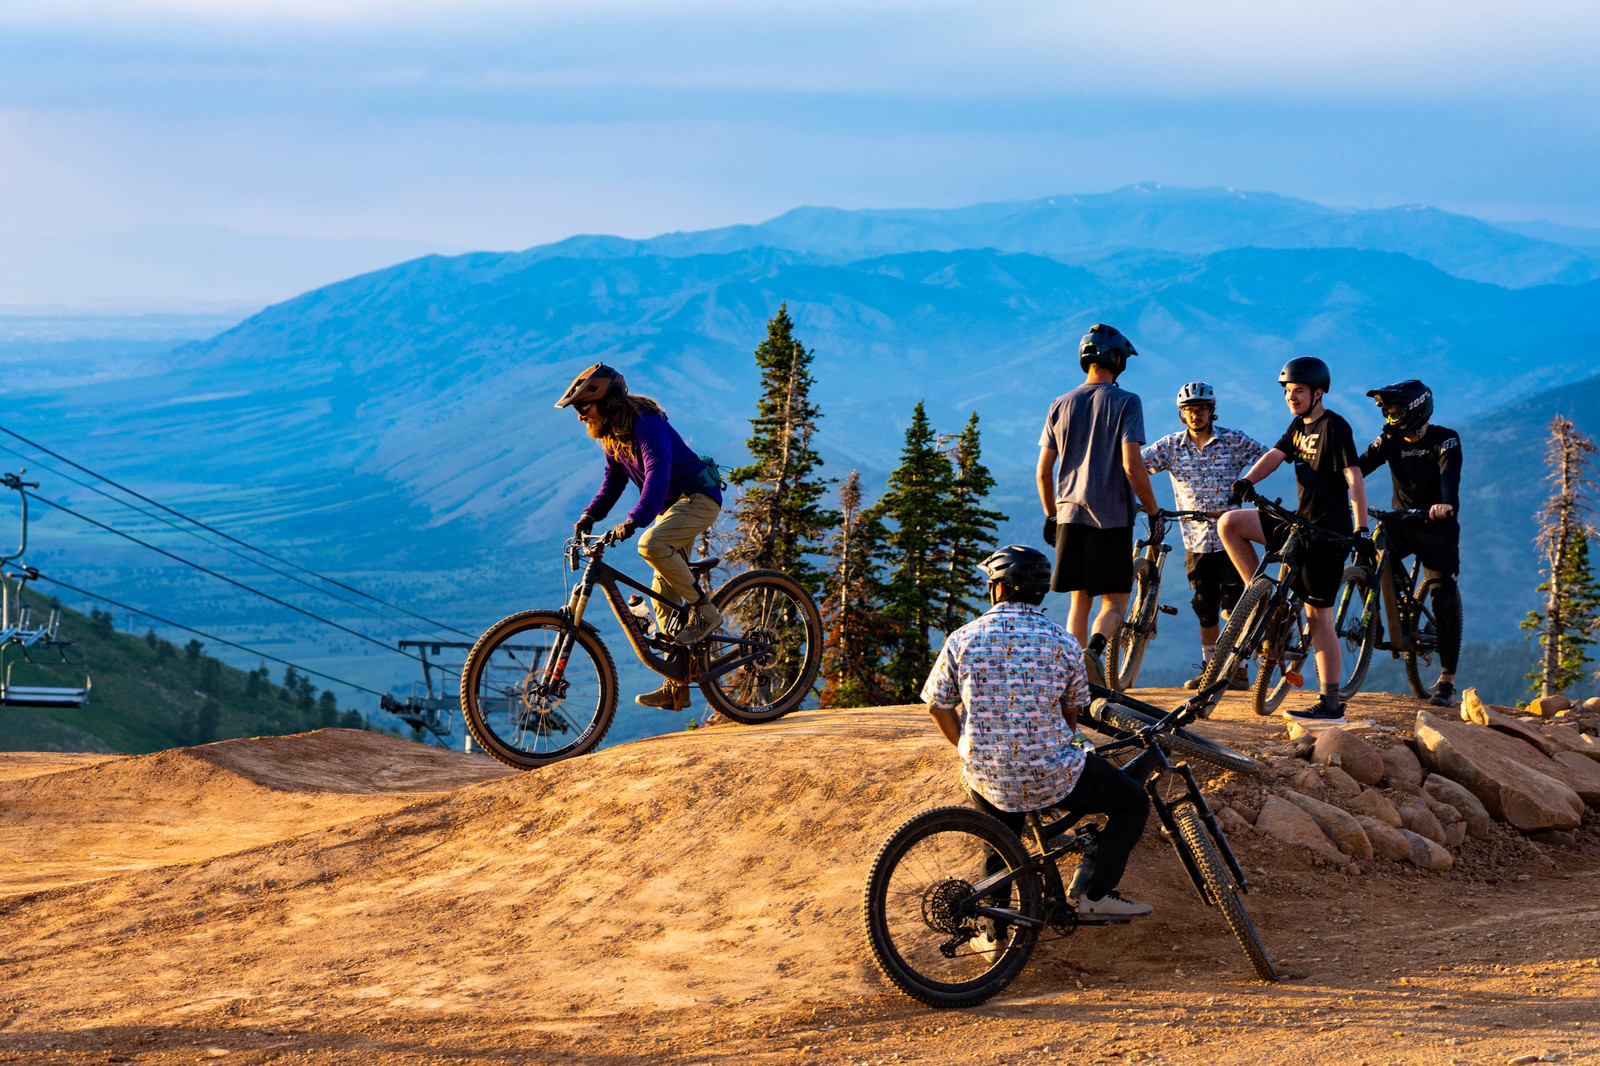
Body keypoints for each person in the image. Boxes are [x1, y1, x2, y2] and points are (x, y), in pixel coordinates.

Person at [922, 544, 1153, 920]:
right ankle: (1097, 895)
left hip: (987, 774)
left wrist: (966, 745)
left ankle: (996, 928)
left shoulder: (962, 638)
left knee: (1000, 842)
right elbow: (1071, 716)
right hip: (1051, 775)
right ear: (1040, 590)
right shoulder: (1064, 642)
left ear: (998, 588)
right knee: (1133, 802)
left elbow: (937, 706)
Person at [558, 363, 725, 710]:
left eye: (583, 407)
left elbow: (657, 473)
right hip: (672, 508)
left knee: (650, 544)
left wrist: (636, 520)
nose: (580, 417)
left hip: (697, 498)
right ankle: (678, 683)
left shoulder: (646, 424)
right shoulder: (612, 435)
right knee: (663, 596)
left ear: (608, 400)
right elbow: (613, 481)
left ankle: (705, 611)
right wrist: (590, 515)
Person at [1217, 356, 1369, 724]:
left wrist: (1361, 529)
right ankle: (1265, 595)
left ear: (1318, 393)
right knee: (1230, 524)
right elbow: (1275, 454)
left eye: (1298, 391)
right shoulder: (1298, 426)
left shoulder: (1336, 426)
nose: (1291, 397)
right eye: (1287, 391)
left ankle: (1331, 706)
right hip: (1298, 523)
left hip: (1326, 535)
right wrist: (1248, 481)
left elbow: (1354, 477)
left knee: (1320, 619)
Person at [1037, 324, 1160, 686]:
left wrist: (1050, 514)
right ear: (1117, 359)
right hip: (1111, 516)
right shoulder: (1126, 402)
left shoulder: (1059, 404)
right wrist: (1152, 510)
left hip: (1068, 514)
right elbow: (1132, 465)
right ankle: (1094, 650)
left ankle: (1072, 680)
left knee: (1079, 601)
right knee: (1115, 602)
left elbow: (1044, 471)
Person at [1141, 381, 1268, 690]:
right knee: (1204, 606)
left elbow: (1269, 456)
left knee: (1235, 605)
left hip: (1232, 538)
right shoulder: (1171, 446)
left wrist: (1248, 483)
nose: (1195, 415)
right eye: (1188, 410)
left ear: (1212, 411)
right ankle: (1211, 671)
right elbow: (1137, 465)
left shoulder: (1234, 441)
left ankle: (1237, 670)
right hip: (1194, 540)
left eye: (1201, 409)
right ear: (1181, 415)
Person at [1358, 380, 1463, 707]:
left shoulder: (1445, 438)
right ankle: (1376, 616)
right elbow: (1360, 465)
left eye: (1395, 411)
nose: (1389, 417)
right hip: (1401, 522)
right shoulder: (1389, 438)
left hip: (1437, 524)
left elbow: (1450, 475)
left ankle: (1446, 681)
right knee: (1366, 546)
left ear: (1416, 410)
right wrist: (1333, 480)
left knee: (1442, 595)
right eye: (1387, 411)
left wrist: (1445, 503)